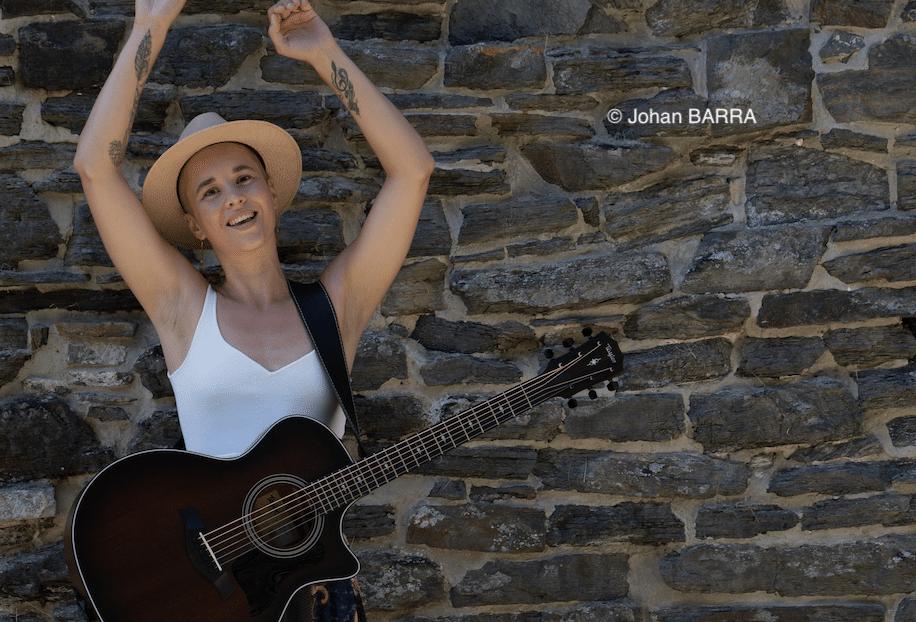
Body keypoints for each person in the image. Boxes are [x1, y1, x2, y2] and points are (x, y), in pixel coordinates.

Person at [73, 0, 434, 619]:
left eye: (244, 178)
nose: (233, 198)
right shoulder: (184, 308)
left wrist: (323, 51)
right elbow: (95, 170)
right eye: (209, 192)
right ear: (194, 224)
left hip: (319, 602)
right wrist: (149, 24)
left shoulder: (335, 307)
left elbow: (414, 170)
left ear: (270, 191)